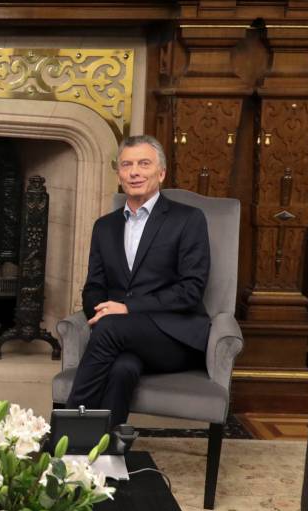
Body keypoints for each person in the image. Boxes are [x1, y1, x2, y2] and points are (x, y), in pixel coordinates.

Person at [66, 135, 210, 426]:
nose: (134, 172)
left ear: (161, 172)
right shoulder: (104, 226)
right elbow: (94, 286)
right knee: (123, 368)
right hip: (121, 336)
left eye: (144, 164)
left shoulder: (188, 219)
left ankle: (64, 433)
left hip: (174, 336)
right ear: (119, 174)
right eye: (126, 165)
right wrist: (101, 310)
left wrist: (127, 309)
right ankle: (107, 448)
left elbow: (191, 290)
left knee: (109, 328)